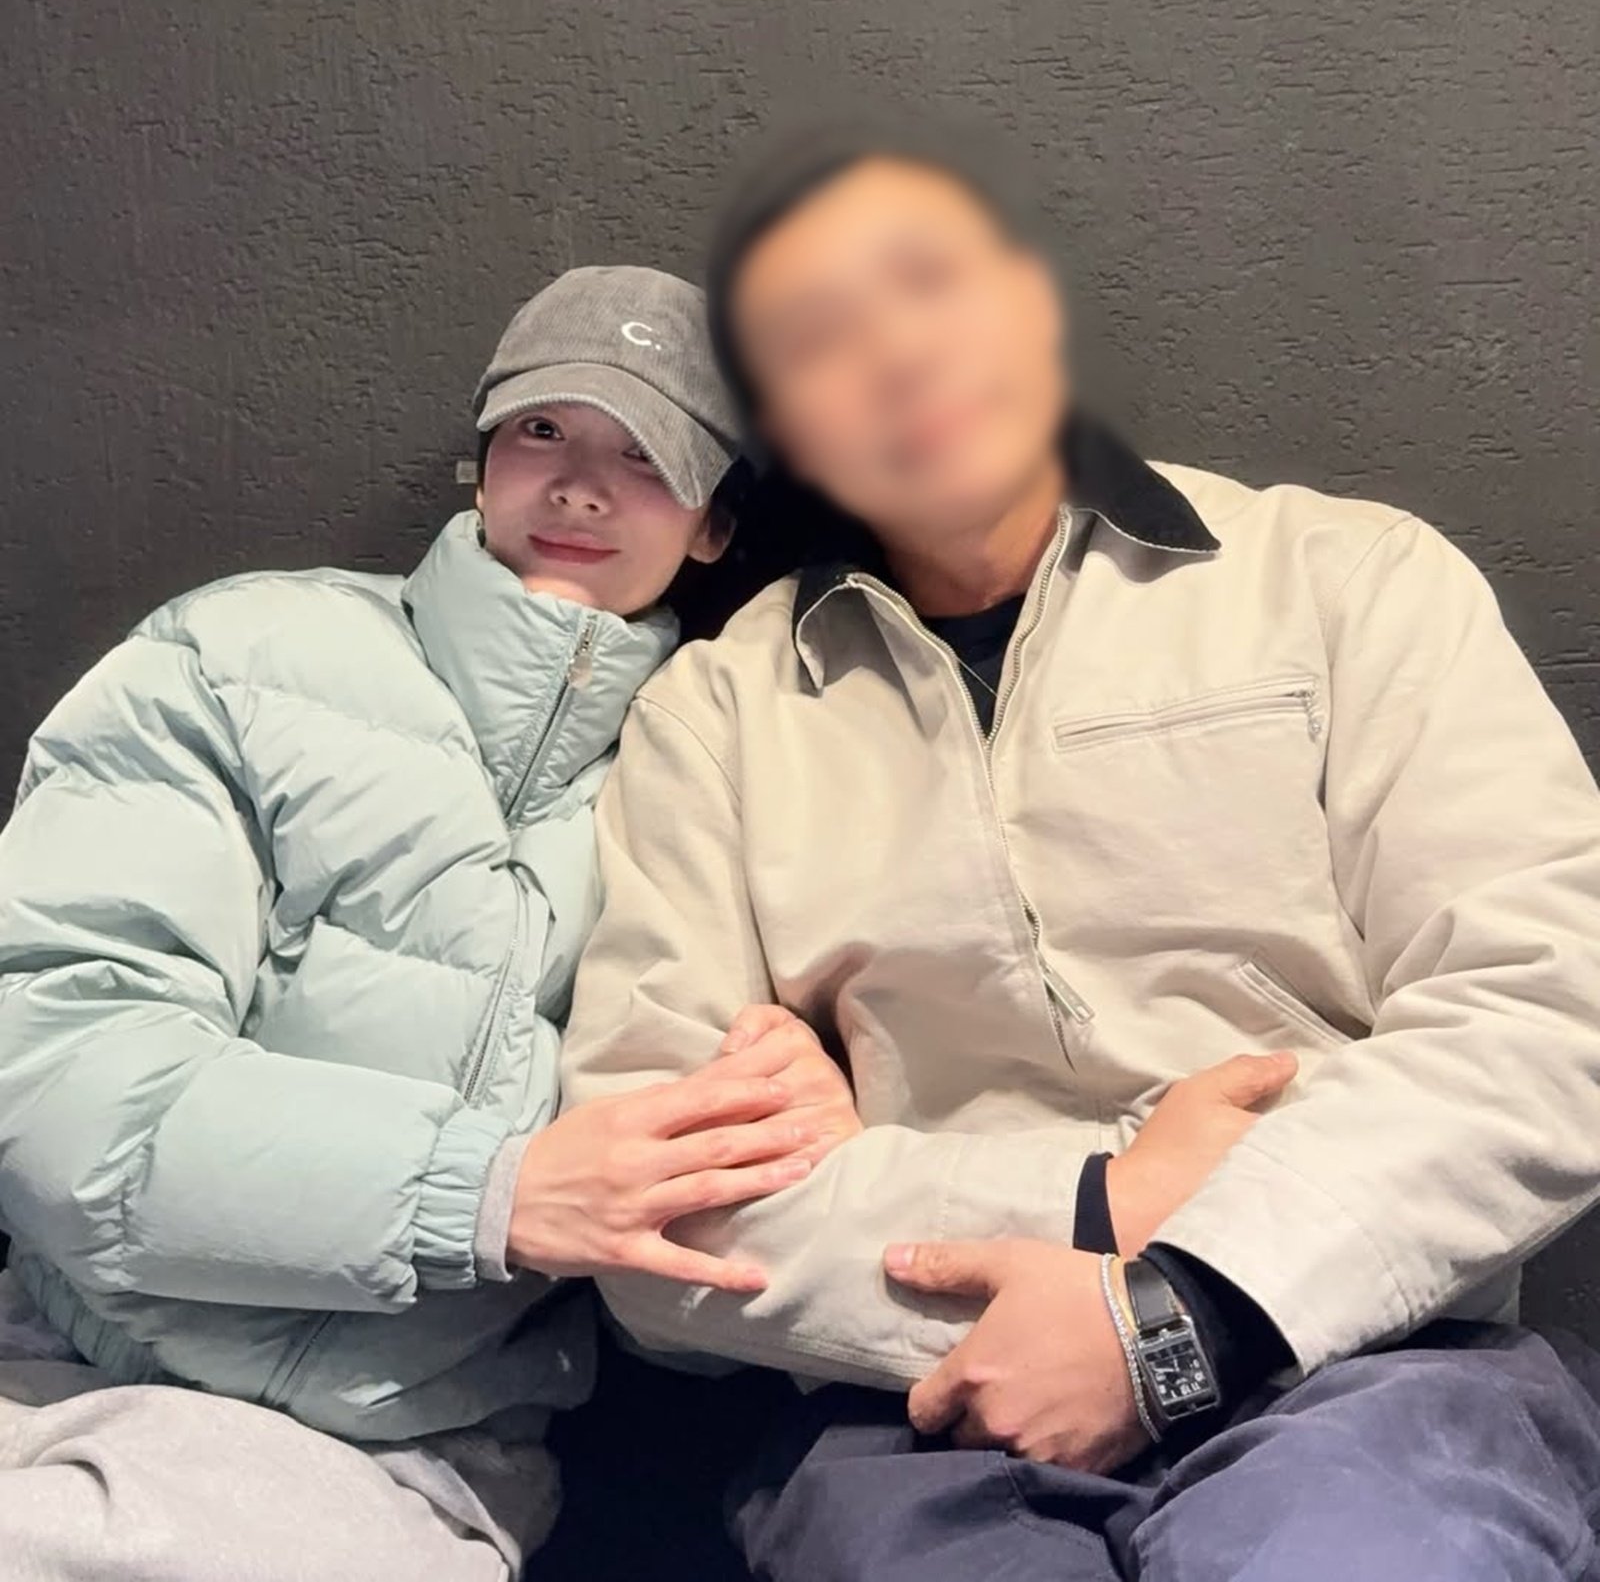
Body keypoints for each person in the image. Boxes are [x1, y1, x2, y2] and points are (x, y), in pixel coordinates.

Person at [560, 119, 1600, 1580]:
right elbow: (651, 1223)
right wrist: (1099, 1202)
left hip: (1370, 1364)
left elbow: (1548, 1013)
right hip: (916, 1415)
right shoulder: (716, 717)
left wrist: (1188, 1308)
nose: (896, 355)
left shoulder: (1348, 581)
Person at [0, 263, 859, 1581]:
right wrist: (490, 1191)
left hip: (409, 1455)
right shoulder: (234, 660)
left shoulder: (723, 777)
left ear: (712, 526)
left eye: (646, 457)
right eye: (544, 430)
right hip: (61, 1373)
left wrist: (789, 1117)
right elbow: (58, 1076)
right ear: (484, 460)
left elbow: (699, 1281)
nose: (581, 486)